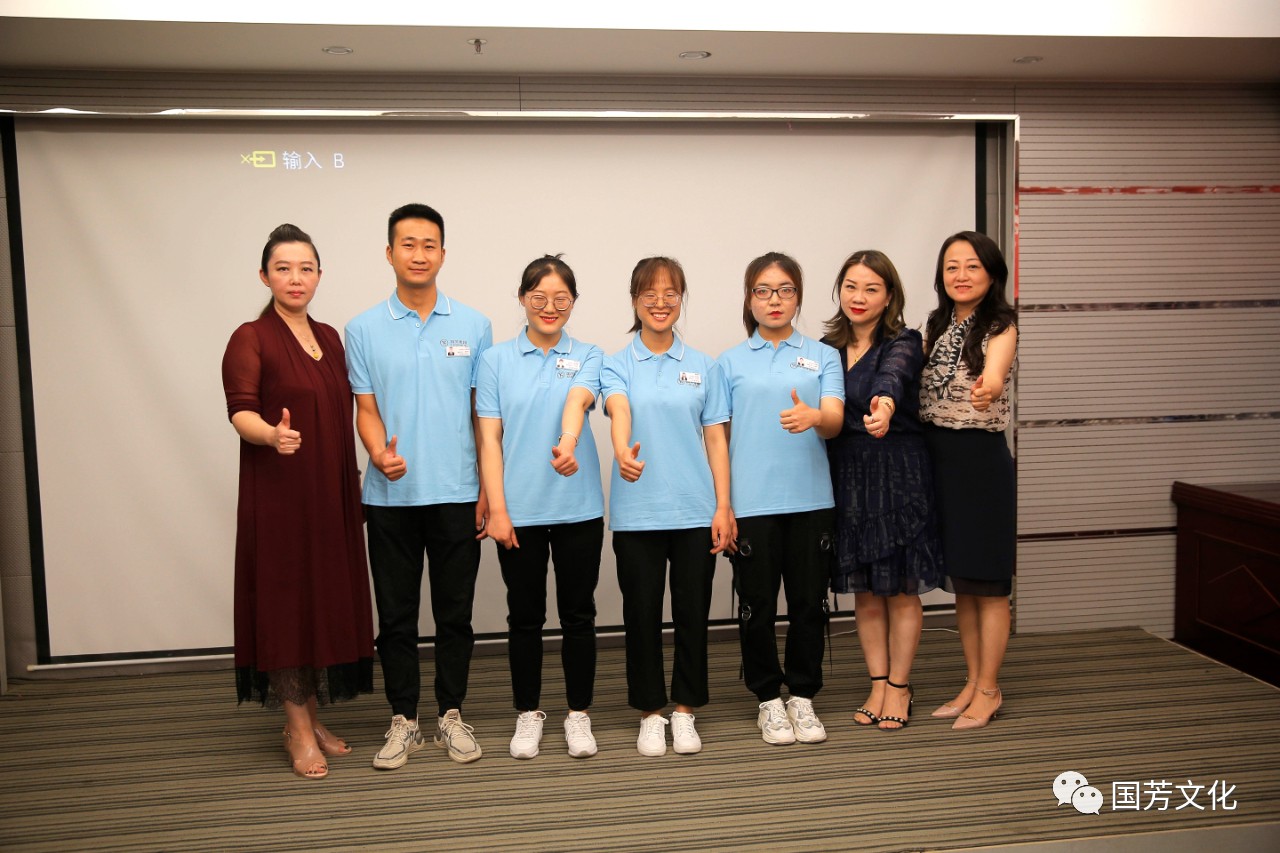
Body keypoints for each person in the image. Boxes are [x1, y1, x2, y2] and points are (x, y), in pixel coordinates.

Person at [222, 223, 375, 780]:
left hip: (330, 493)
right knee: (287, 607)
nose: (295, 278)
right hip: (281, 498)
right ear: (264, 276)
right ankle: (297, 730)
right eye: (283, 268)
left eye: (305, 268)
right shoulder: (251, 337)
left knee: (319, 601)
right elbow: (240, 410)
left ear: (319, 275)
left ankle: (311, 716)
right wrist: (270, 435)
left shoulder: (329, 337)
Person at [344, 203, 492, 768]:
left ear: (443, 255)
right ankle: (403, 720)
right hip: (391, 499)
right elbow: (366, 407)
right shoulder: (362, 329)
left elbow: (483, 414)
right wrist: (377, 452)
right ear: (389, 253)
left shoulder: (474, 326)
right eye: (408, 244)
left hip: (457, 493)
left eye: (429, 245)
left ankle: (451, 713)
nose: (419, 254)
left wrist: (487, 489)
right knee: (396, 617)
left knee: (455, 616)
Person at [602, 257, 735, 757]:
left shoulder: (704, 366)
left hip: (695, 511)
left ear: (681, 299)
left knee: (692, 614)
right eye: (649, 294)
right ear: (634, 300)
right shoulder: (616, 364)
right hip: (638, 512)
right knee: (641, 616)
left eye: (670, 294)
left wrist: (723, 507)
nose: (660, 303)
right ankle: (649, 713)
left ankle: (685, 710)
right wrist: (622, 450)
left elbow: (716, 440)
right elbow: (618, 408)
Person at [476, 255, 606, 760]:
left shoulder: (590, 354)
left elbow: (578, 401)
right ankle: (527, 712)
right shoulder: (494, 360)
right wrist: (498, 509)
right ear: (522, 299)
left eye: (561, 299)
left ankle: (578, 714)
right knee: (525, 617)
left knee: (579, 615)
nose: (550, 308)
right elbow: (489, 439)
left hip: (578, 507)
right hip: (518, 511)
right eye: (539, 298)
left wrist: (568, 442)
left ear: (573, 302)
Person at [712, 252, 845, 745]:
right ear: (749, 299)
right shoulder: (728, 362)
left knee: (809, 603)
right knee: (757, 606)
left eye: (785, 290)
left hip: (811, 500)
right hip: (752, 505)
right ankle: (768, 698)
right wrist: (724, 504)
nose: (775, 299)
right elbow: (719, 438)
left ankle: (803, 695)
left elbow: (834, 420)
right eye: (764, 290)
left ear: (798, 297)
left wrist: (814, 417)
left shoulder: (823, 356)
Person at [821, 250, 944, 732]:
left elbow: (892, 378)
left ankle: (900, 685)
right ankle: (877, 682)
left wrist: (885, 407)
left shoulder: (904, 341)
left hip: (897, 472)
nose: (859, 297)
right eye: (851, 287)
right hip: (849, 474)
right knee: (867, 591)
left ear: (889, 296)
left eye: (872, 288)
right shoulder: (826, 348)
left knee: (901, 588)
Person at [919, 230, 1018, 731]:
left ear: (992, 273)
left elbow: (994, 373)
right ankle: (973, 680)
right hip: (940, 461)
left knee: (990, 586)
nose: (960, 275)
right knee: (964, 585)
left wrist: (989, 388)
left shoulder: (1001, 325)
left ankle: (990, 688)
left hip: (980, 463)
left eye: (972, 266)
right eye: (952, 266)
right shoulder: (936, 324)